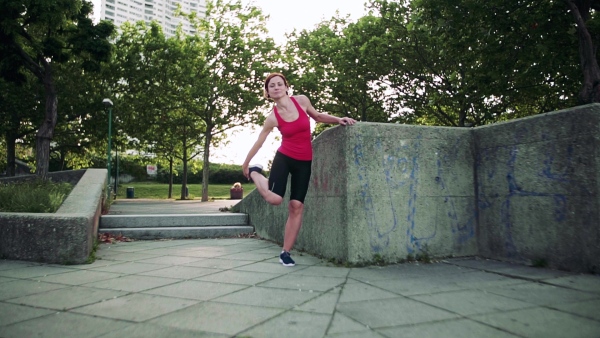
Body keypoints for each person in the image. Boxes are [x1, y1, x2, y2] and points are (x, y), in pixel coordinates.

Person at [242, 72, 356, 267]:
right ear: (268, 93)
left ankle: (285, 252)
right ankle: (255, 172)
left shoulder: (302, 101)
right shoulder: (272, 118)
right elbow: (260, 141)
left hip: (304, 161)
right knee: (275, 199)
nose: (276, 87)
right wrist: (246, 164)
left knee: (296, 206)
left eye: (279, 84)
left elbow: (318, 116)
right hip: (284, 158)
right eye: (272, 86)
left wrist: (338, 119)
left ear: (286, 87)